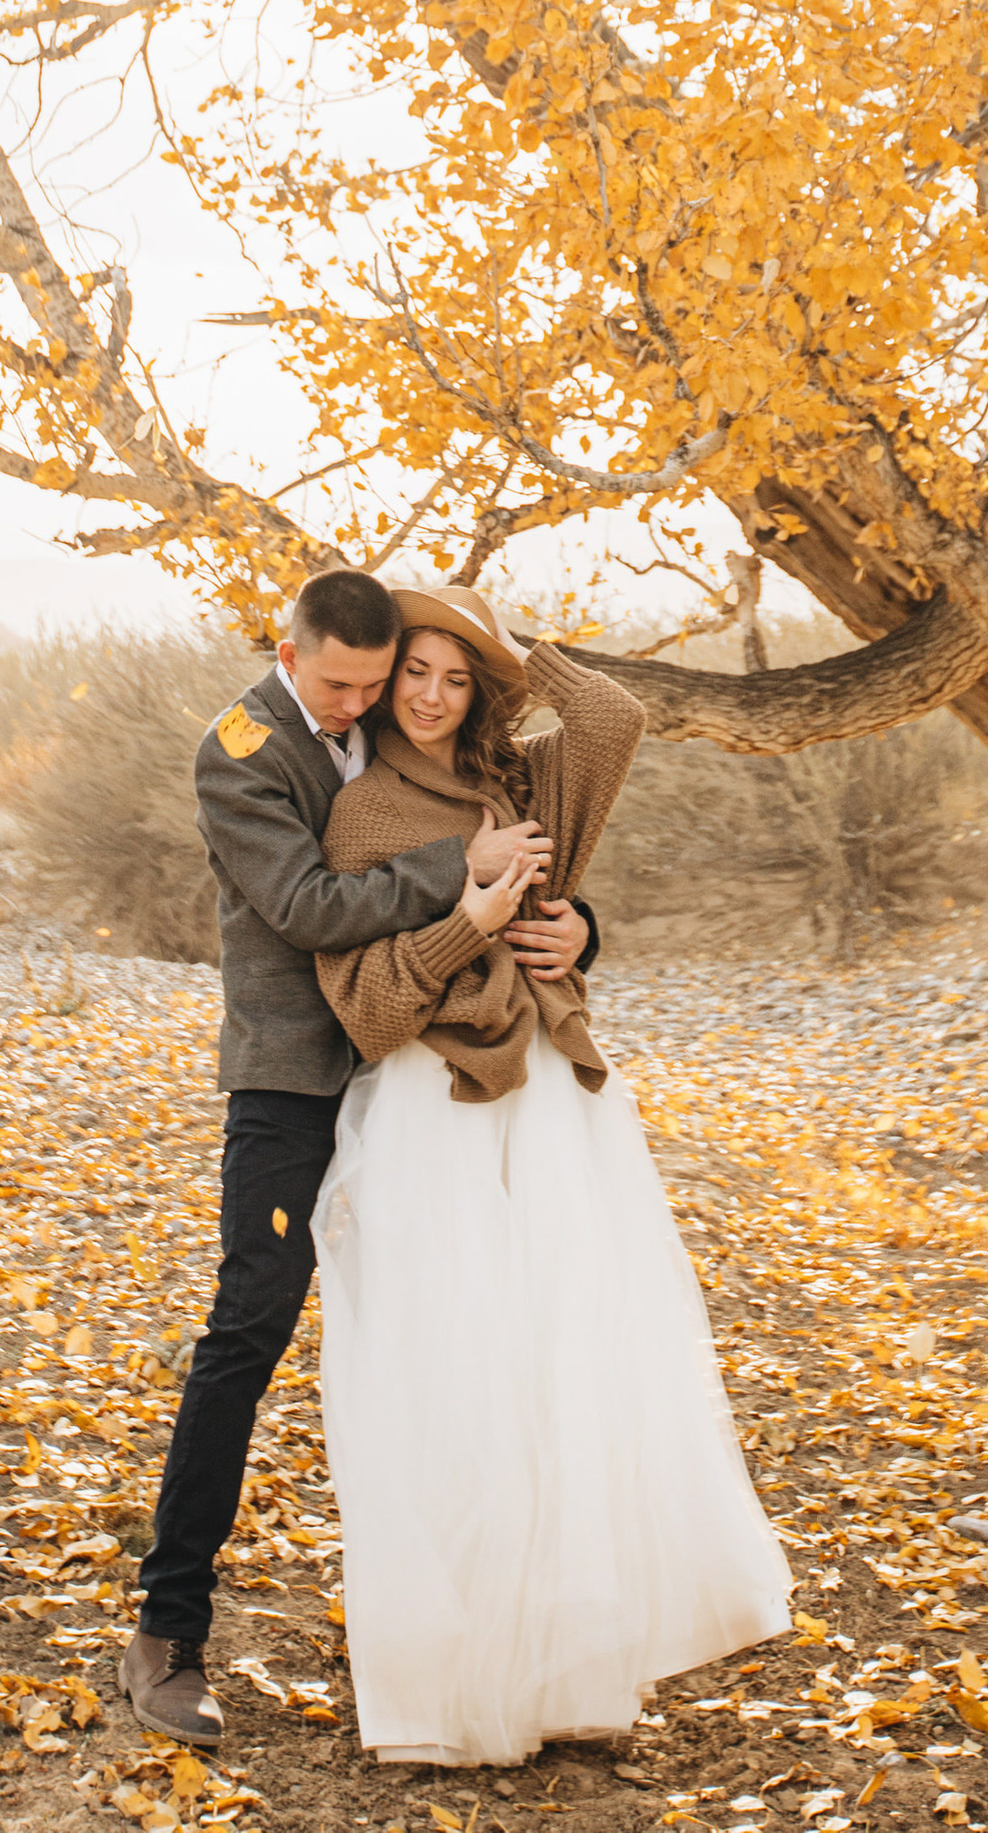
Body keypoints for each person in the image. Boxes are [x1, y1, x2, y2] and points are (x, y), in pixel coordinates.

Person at [310, 583, 792, 1767]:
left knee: (567, 1373)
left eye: (455, 676)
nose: (430, 696)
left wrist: (517, 648)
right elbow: (370, 1010)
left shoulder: (520, 783)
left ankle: (574, 1680)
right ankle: (449, 1696)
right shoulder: (363, 812)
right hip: (439, 1114)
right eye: (414, 672)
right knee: (453, 1387)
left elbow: (615, 719)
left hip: (557, 1114)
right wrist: (471, 914)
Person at [121, 568, 597, 1743]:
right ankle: (169, 1627)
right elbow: (308, 907)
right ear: (290, 653)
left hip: (415, 1077)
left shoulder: (394, 716)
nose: (356, 706)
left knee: (469, 1346)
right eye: (337, 685)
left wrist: (583, 923)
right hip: (292, 1081)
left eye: (373, 686)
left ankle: (493, 1640)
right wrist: (467, 878)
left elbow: (502, 831)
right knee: (250, 1328)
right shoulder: (237, 753)